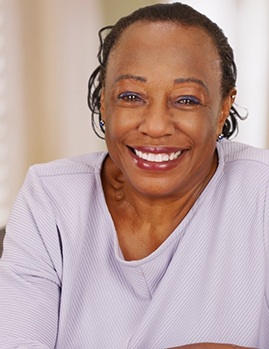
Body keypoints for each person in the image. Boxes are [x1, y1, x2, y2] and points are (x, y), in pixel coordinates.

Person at [0, 2, 268, 348]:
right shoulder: (50, 198)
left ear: (222, 110)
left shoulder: (260, 191)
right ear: (104, 104)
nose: (156, 126)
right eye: (131, 96)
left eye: (186, 100)